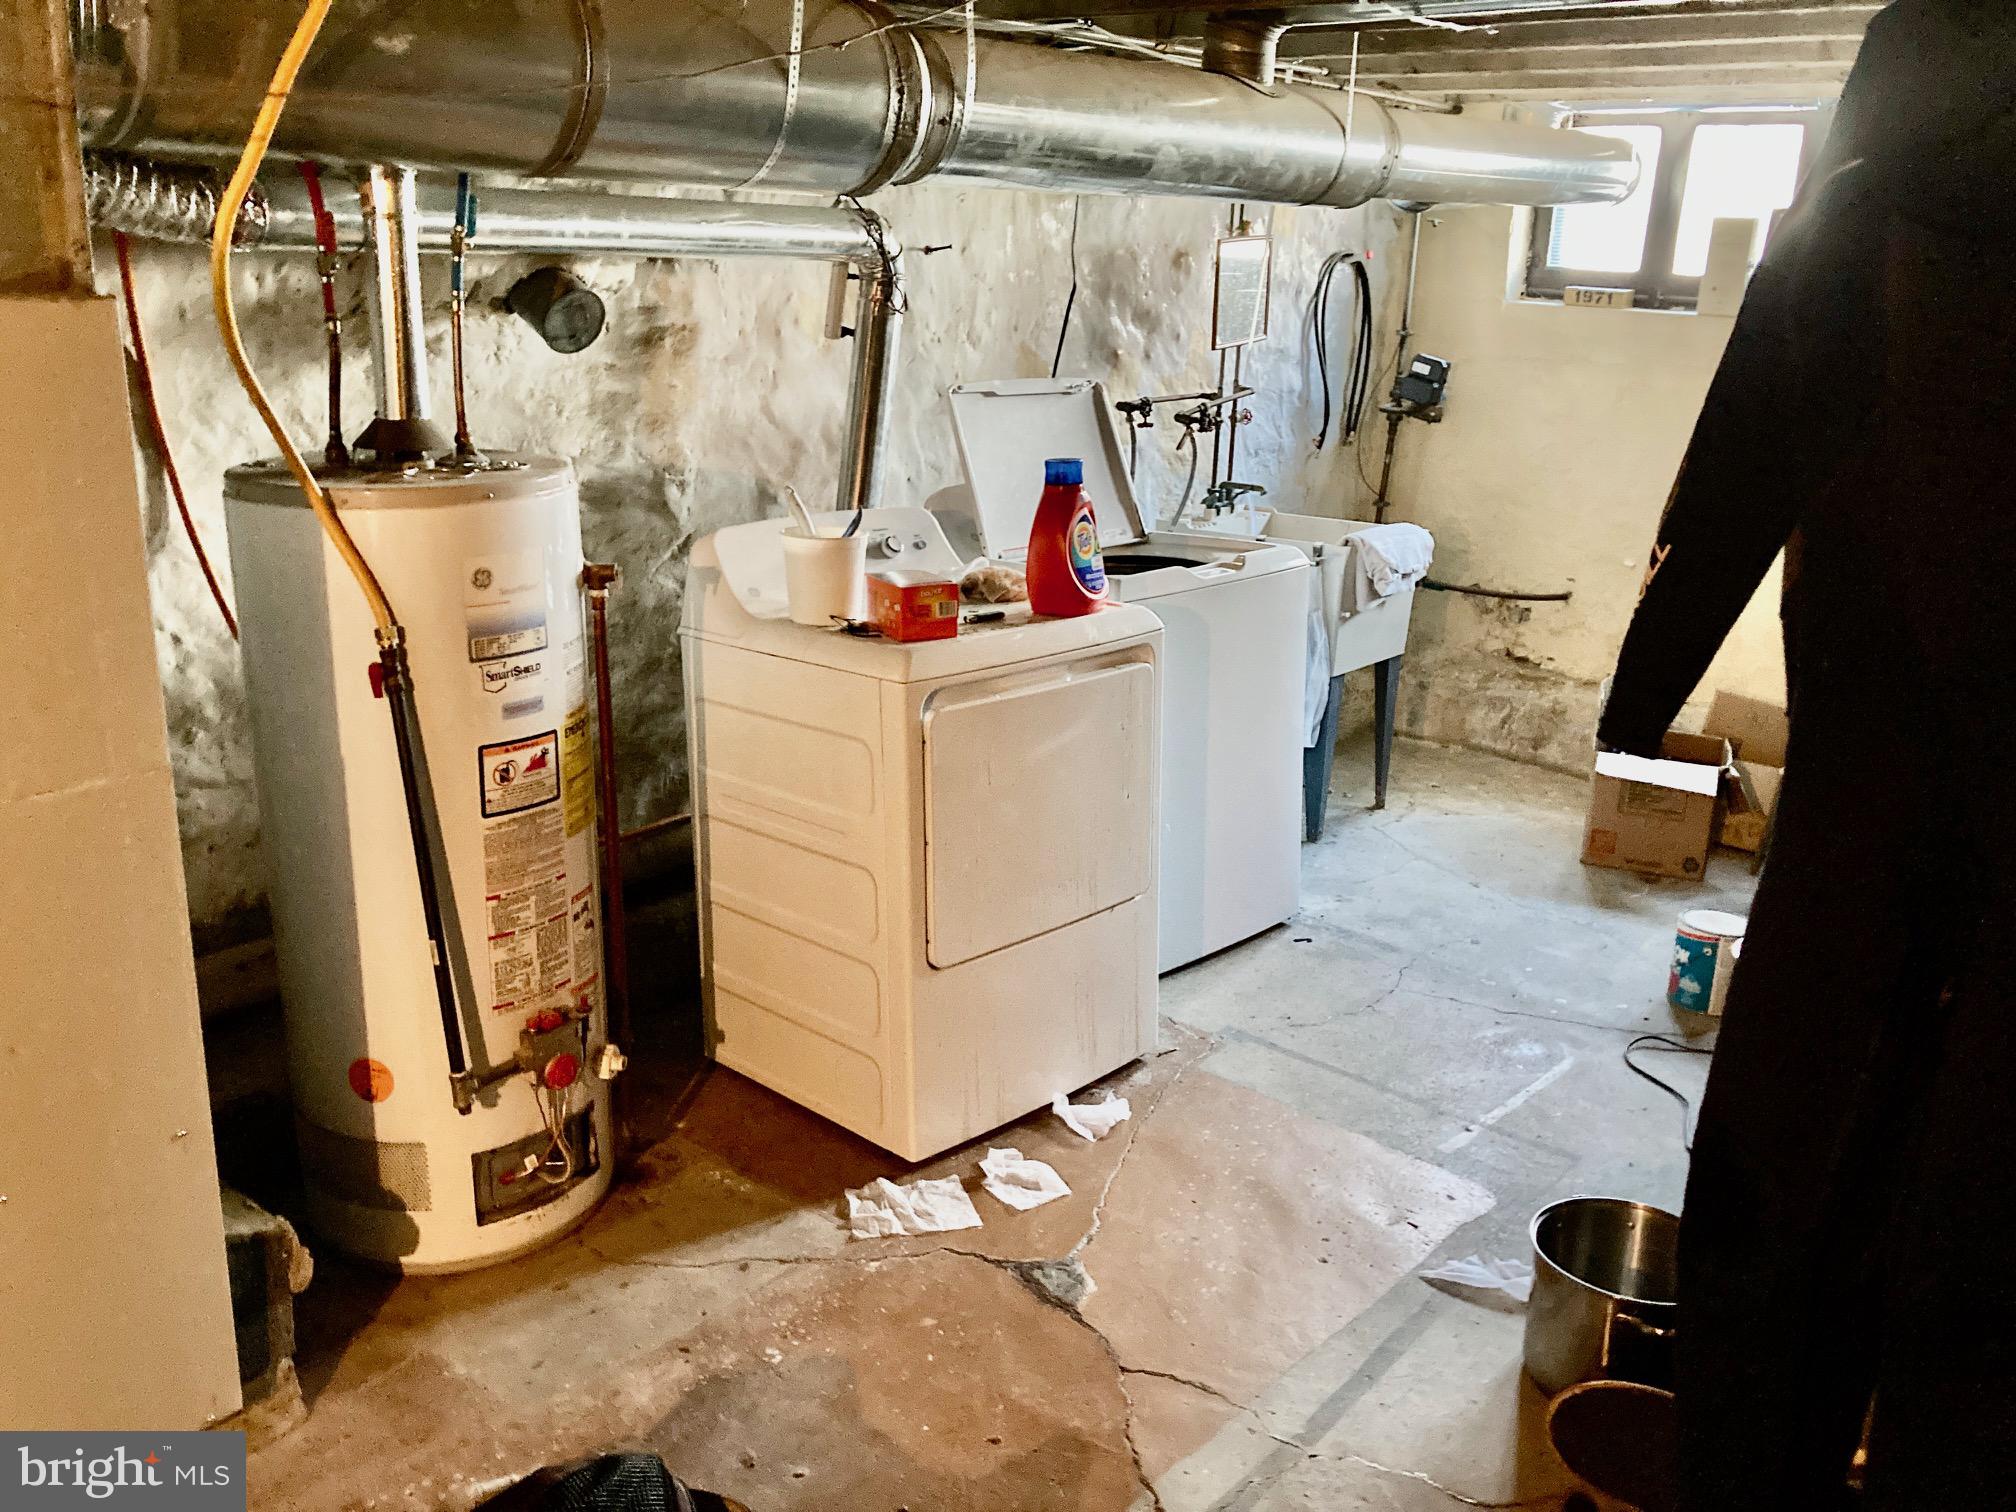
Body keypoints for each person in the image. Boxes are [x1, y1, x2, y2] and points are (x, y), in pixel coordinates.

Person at [1597, 3, 2016, 1506]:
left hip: (1870, 766)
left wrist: (1637, 705)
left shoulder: (1856, 210)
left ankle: (1747, 1462)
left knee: (1798, 1135)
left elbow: (1724, 480)